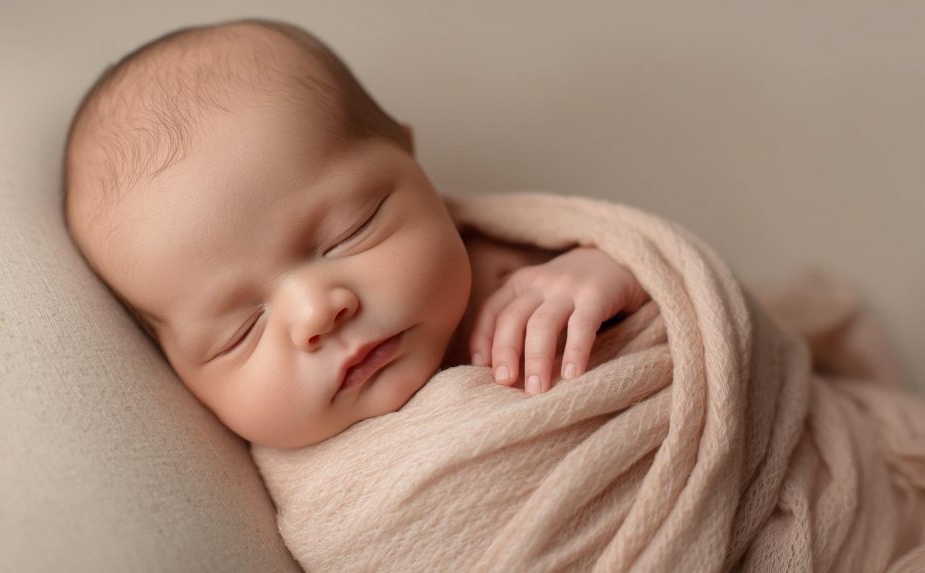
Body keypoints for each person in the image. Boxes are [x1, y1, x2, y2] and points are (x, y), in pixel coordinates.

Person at [62, 18, 650, 449]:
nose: (316, 313)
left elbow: (681, 294)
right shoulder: (311, 485)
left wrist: (611, 269)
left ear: (412, 163)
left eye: (351, 231)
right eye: (241, 331)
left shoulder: (519, 271)